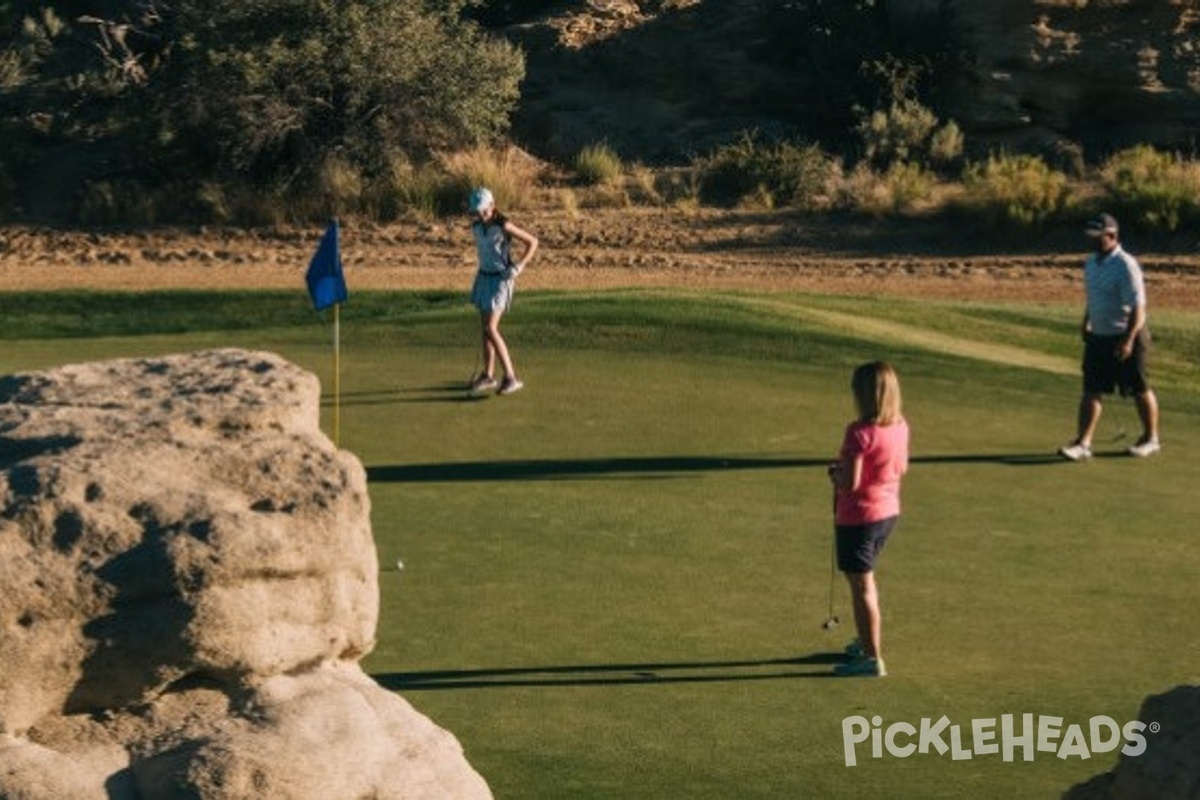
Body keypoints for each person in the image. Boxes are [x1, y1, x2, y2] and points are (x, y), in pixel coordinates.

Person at [827, 361, 909, 678]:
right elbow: (900, 468)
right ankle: (865, 642)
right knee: (862, 582)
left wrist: (835, 473)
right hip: (887, 513)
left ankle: (871, 658)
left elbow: (851, 483)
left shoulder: (859, 433)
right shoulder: (900, 425)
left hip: (858, 518)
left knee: (862, 585)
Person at [1059, 213, 1160, 460]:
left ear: (1112, 236)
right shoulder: (1091, 263)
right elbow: (1094, 297)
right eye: (1090, 237)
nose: (1091, 241)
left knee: (1139, 388)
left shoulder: (1126, 265)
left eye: (1097, 237)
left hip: (1127, 335)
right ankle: (1083, 444)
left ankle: (1151, 439)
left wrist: (1127, 341)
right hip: (1099, 336)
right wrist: (1086, 321)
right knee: (1091, 390)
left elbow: (1138, 308)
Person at [466, 186, 538, 396]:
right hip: (484, 277)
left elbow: (533, 242)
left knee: (491, 328)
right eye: (477, 211)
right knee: (485, 329)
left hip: (501, 279)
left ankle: (511, 378)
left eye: (484, 210)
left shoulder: (503, 224)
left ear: (492, 205)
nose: (481, 214)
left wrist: (519, 266)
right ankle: (488, 376)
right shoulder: (476, 226)